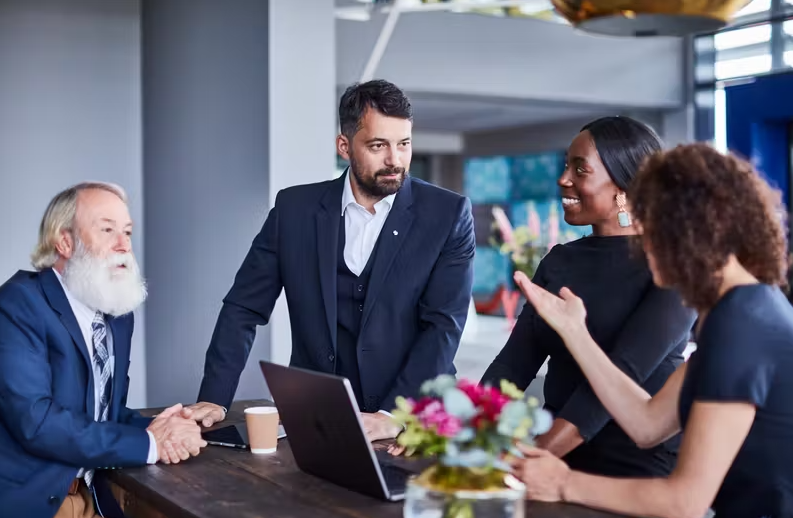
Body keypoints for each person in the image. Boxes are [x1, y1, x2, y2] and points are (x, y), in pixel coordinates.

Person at [512, 143, 793, 518]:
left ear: (689, 233)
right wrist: (574, 331)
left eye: (653, 229)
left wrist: (563, 482)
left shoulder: (739, 323)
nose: (642, 247)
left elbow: (684, 502)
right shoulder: (746, 305)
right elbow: (647, 423)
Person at [188, 79, 476, 441]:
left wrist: (391, 415)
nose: (395, 160)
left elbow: (444, 326)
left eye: (403, 144)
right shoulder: (295, 210)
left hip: (416, 419)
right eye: (378, 146)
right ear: (344, 146)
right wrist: (215, 397)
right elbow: (243, 306)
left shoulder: (448, 215)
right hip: (318, 414)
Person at [480, 116, 697, 477]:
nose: (563, 179)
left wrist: (535, 457)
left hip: (635, 470)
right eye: (566, 165)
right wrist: (460, 429)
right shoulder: (561, 260)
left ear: (626, 187)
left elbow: (620, 374)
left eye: (580, 169)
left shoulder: (674, 266)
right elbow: (512, 365)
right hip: (556, 460)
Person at [0, 182, 205, 518]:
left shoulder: (117, 317)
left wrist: (165, 426)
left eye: (127, 231)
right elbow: (36, 422)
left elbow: (103, 415)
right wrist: (151, 444)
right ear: (65, 241)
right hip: (36, 501)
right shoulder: (18, 304)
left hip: (98, 493)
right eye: (107, 230)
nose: (124, 245)